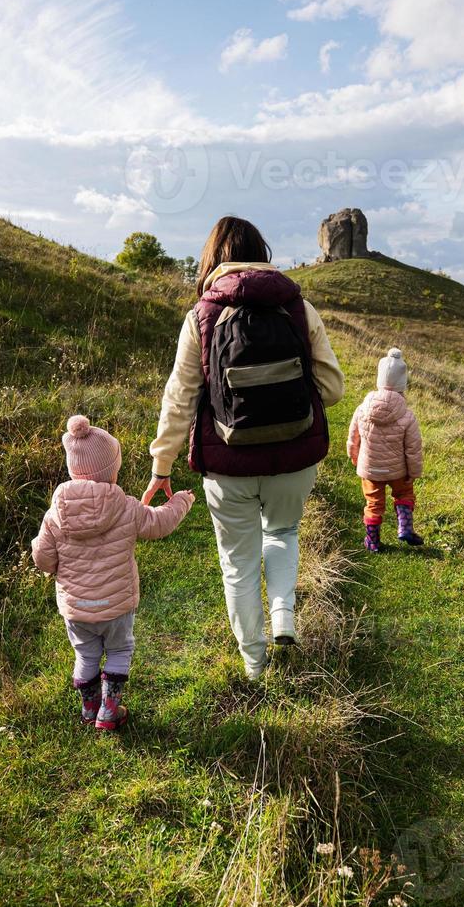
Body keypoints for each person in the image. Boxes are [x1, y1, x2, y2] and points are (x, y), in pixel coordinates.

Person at [143, 217, 345, 680]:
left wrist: (162, 465)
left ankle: (254, 665)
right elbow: (333, 389)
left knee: (237, 563)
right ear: (262, 251)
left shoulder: (202, 316)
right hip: (294, 458)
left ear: (213, 258)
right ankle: (283, 616)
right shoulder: (298, 308)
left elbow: (180, 397)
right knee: (284, 533)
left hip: (227, 465)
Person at [33, 415, 194, 731]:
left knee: (85, 655)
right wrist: (181, 502)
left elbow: (42, 557)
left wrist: (57, 569)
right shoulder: (124, 506)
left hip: (76, 609)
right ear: (110, 470)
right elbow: (159, 523)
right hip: (117, 606)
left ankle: (89, 708)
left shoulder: (56, 513)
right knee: (120, 650)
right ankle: (109, 712)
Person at [347, 348, 423, 552]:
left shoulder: (362, 409)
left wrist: (354, 457)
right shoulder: (407, 416)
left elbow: (353, 439)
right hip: (398, 470)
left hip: (370, 469)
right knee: (404, 493)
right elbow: (413, 449)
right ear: (402, 386)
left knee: (373, 503)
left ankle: (372, 541)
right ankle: (405, 527)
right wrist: (413, 473)